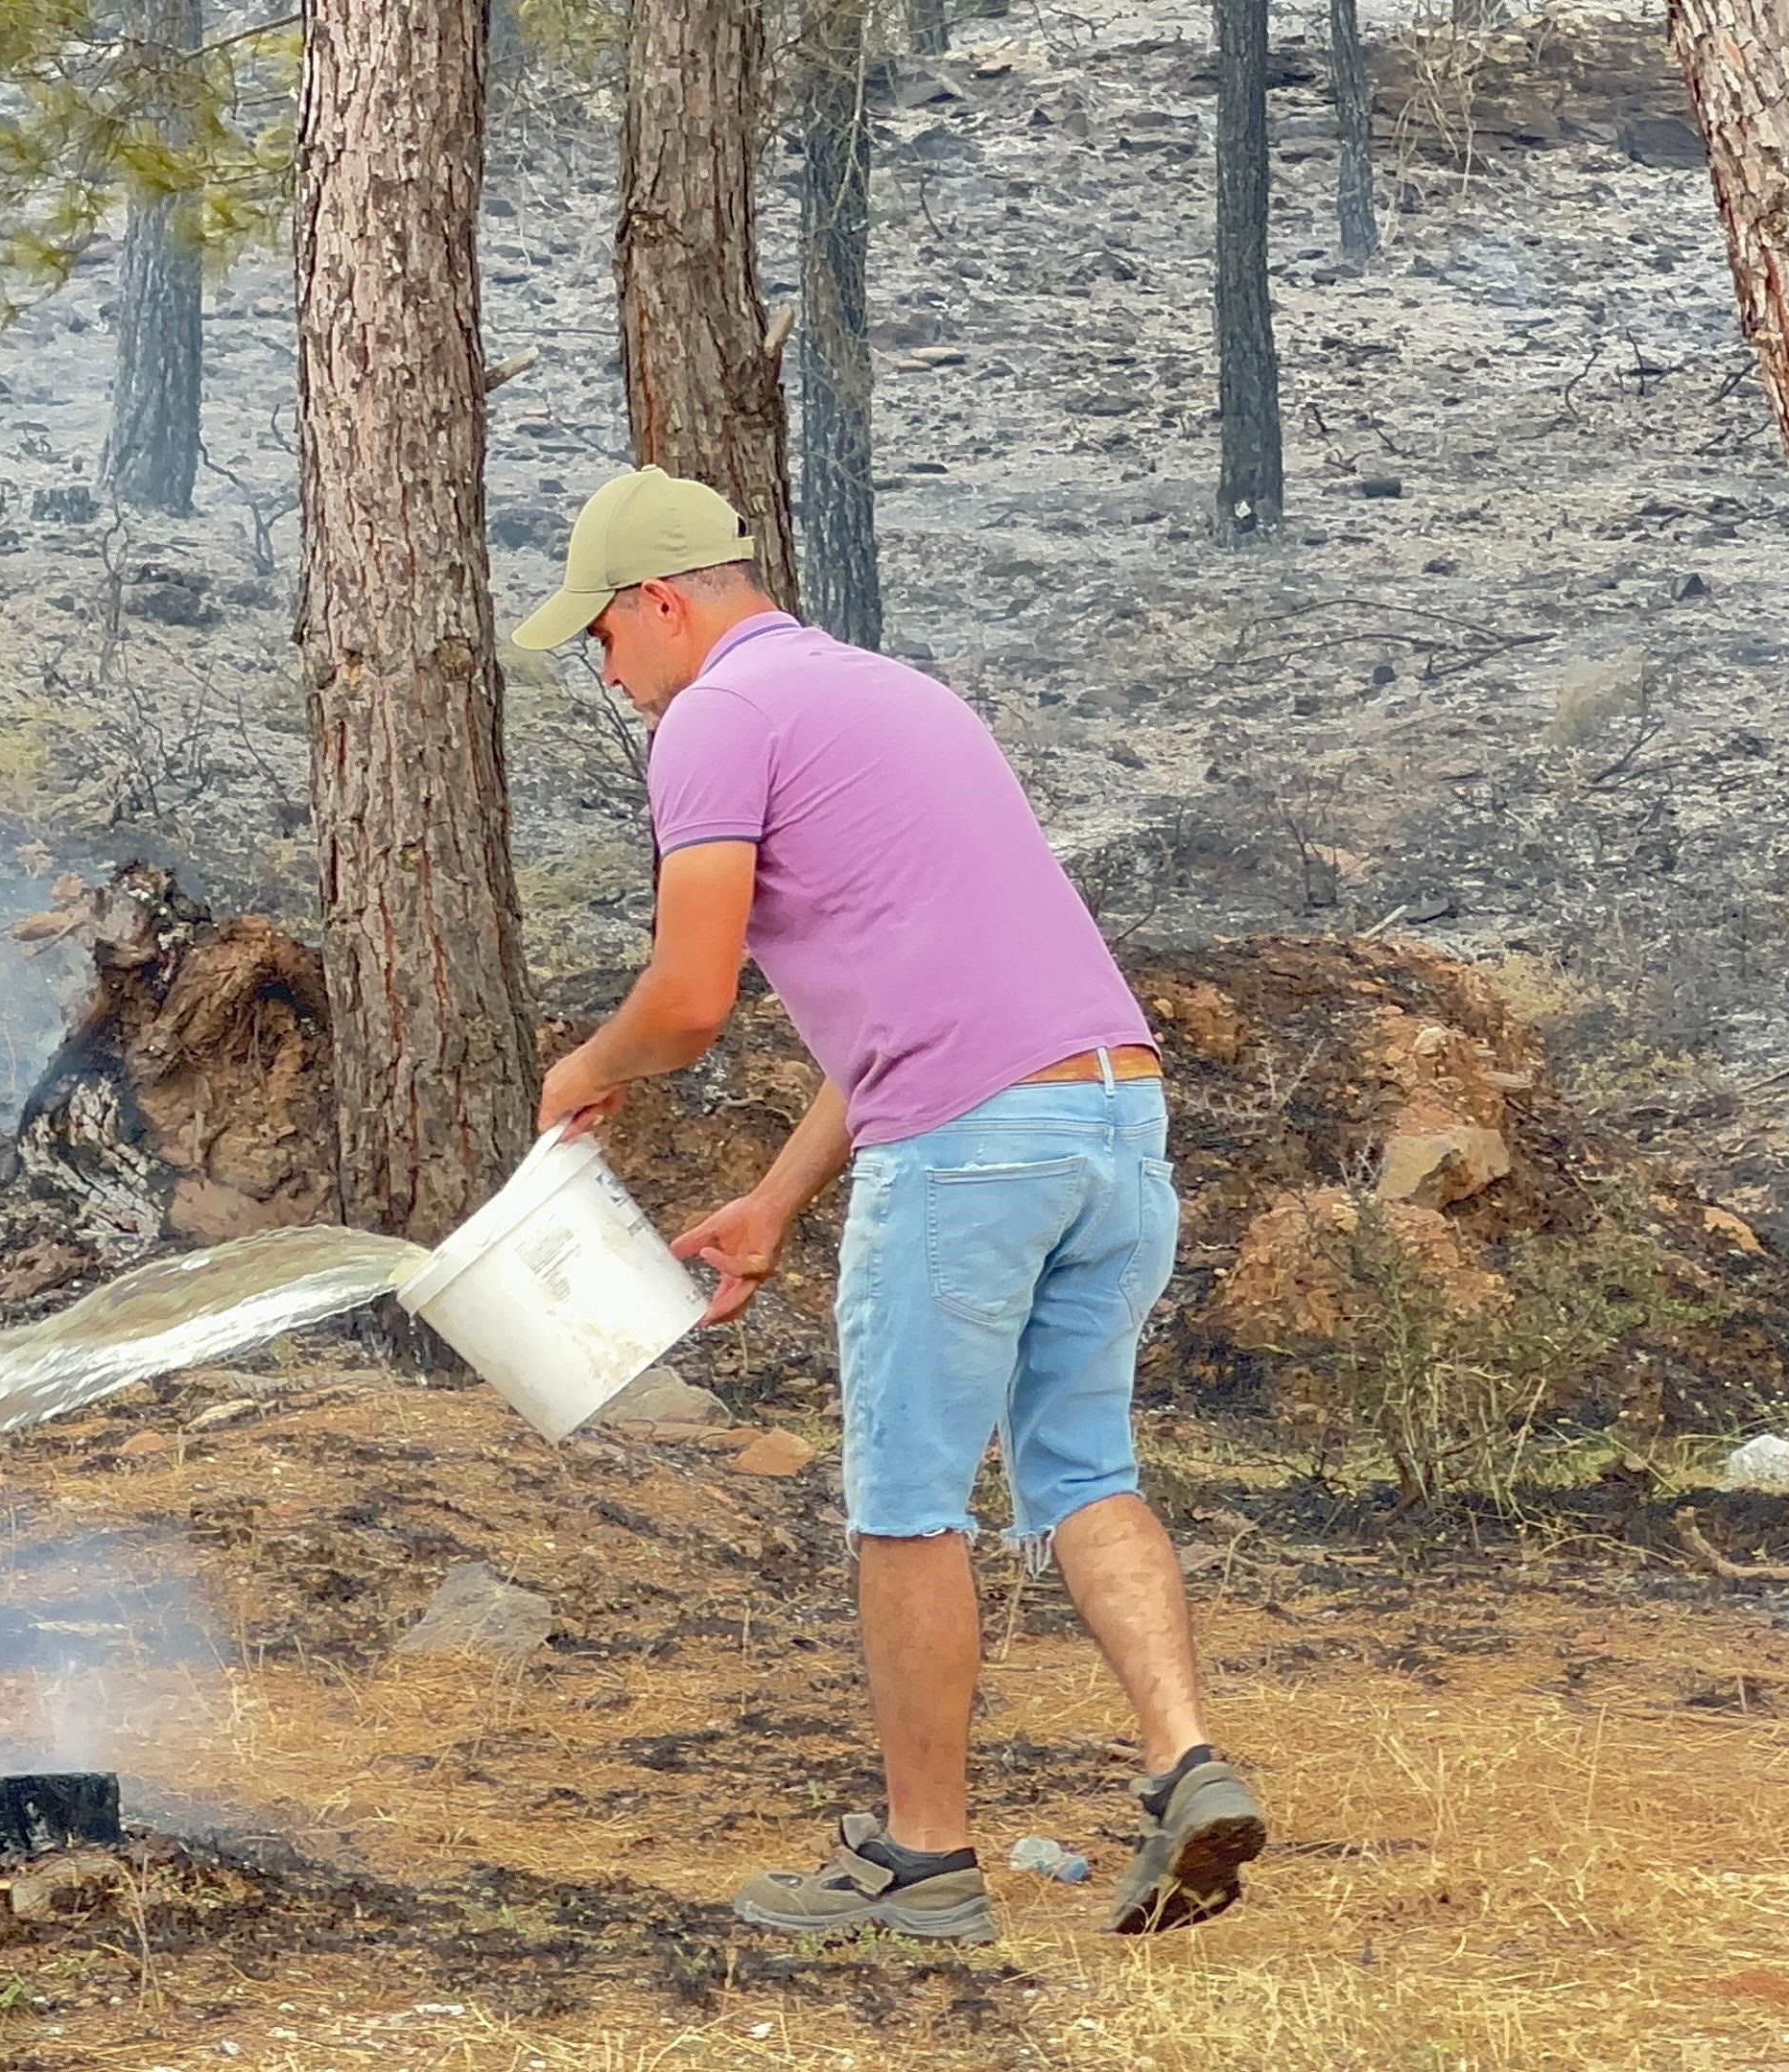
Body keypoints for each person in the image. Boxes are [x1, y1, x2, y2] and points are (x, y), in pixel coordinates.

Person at [512, 467, 1263, 1942]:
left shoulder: (717, 717)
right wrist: (782, 1195)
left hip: (974, 1147)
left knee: (909, 1507)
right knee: (1083, 1470)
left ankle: (924, 1865)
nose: (609, 675)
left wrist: (580, 1072)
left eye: (603, 640)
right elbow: (930, 1002)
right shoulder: (892, 694)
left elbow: (686, 1001)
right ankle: (1184, 1757)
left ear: (662, 604)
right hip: (1110, 1114)